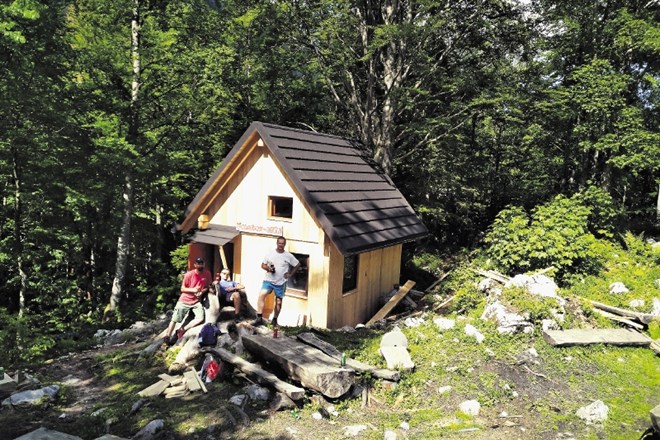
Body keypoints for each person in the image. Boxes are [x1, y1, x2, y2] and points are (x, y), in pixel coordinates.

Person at [252, 236, 300, 327]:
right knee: (261, 295)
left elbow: (297, 264)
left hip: (281, 282)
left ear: (284, 244)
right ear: (276, 243)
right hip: (269, 280)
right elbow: (262, 265)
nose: (281, 245)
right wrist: (268, 268)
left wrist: (290, 274)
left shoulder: (288, 255)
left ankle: (275, 319)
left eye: (282, 243)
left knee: (278, 302)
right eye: (279, 243)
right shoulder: (270, 254)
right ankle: (259, 318)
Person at [164, 256, 211, 345]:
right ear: (195, 265)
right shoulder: (189, 274)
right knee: (175, 319)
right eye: (198, 264)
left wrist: (201, 292)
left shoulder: (207, 273)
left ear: (204, 264)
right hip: (184, 300)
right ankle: (167, 336)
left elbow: (207, 287)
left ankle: (182, 330)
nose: (200, 265)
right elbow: (182, 289)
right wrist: (193, 290)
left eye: (202, 263)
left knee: (200, 318)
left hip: (196, 301)